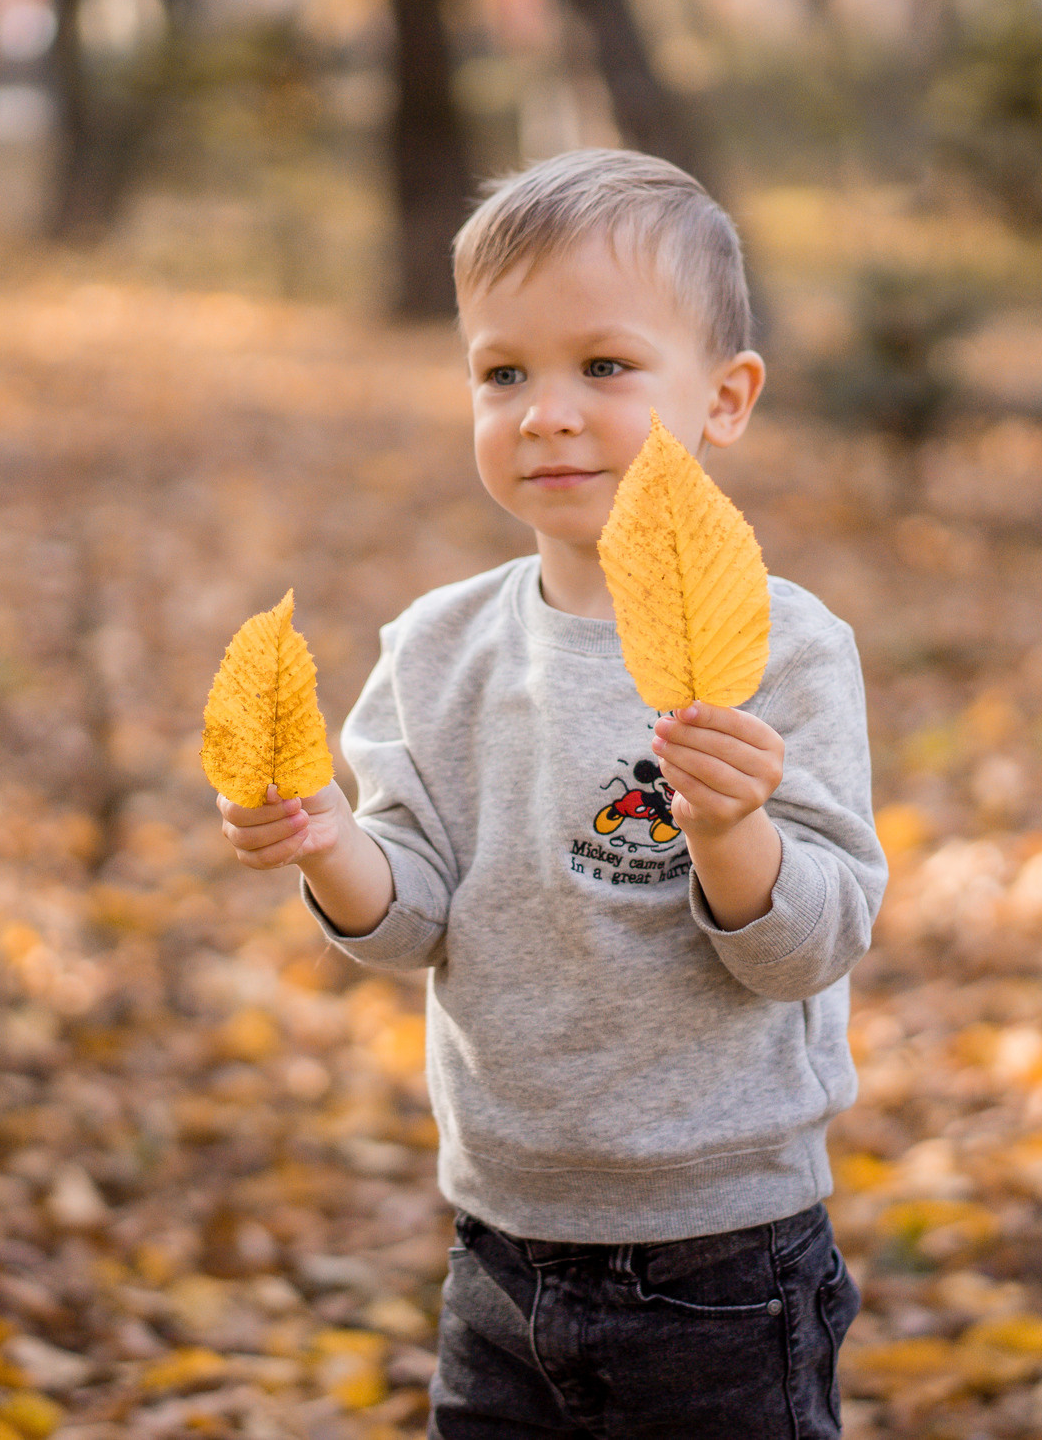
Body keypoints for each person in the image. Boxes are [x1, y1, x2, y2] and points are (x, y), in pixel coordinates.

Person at [216, 148, 888, 1438]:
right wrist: (329, 839)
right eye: (502, 372)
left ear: (727, 398)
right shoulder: (437, 649)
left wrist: (730, 829)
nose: (547, 411)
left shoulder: (786, 655)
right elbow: (409, 919)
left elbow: (813, 946)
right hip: (501, 1245)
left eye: (605, 366)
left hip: (723, 1257)